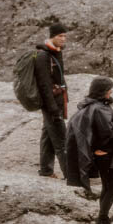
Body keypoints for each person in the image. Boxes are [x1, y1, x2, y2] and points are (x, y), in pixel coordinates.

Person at [66, 77, 113, 224]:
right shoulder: (99, 108)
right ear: (102, 92)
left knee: (108, 187)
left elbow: (104, 126)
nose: (111, 92)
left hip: (102, 153)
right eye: (109, 89)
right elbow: (111, 132)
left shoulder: (95, 106)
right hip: (106, 155)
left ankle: (104, 220)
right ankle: (100, 223)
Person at [36, 22, 70, 179]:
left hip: (58, 101)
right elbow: (44, 85)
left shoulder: (56, 52)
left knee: (48, 136)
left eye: (64, 36)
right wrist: (53, 109)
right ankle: (71, 175)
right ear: (52, 37)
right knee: (62, 139)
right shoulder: (43, 56)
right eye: (60, 36)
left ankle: (46, 170)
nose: (63, 39)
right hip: (52, 105)